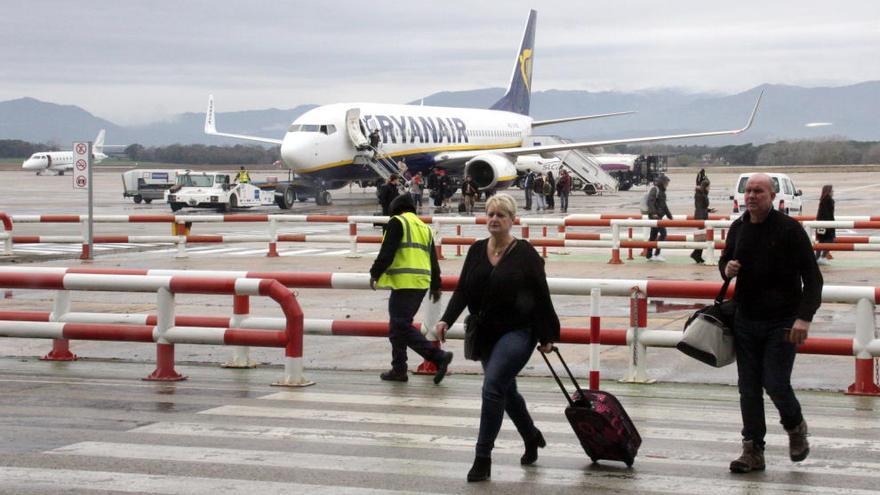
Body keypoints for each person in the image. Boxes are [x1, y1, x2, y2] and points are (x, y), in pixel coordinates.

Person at [434, 193, 560, 482]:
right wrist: (445, 319)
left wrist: (547, 335)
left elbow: (541, 296)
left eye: (500, 215)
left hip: (519, 331)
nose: (493, 219)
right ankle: (531, 436)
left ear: (512, 220)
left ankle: (482, 457)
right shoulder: (477, 250)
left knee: (492, 387)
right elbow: (464, 290)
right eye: (490, 214)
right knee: (506, 391)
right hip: (486, 334)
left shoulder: (526, 254)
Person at [719, 173, 823, 474]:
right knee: (748, 388)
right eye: (748, 191)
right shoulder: (738, 228)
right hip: (746, 319)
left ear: (773, 196)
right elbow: (724, 264)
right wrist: (727, 268)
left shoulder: (790, 230)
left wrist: (804, 317)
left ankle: (795, 426)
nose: (751, 196)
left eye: (759, 191)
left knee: (775, 382)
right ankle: (753, 450)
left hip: (783, 321)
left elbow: (813, 279)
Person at [370, 194, 453, 384]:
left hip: (404, 282)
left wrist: (375, 272)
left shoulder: (397, 222)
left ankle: (437, 357)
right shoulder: (423, 227)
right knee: (398, 327)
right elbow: (433, 258)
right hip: (421, 282)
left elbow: (387, 252)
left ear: (395, 209)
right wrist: (436, 284)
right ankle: (399, 369)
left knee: (400, 325)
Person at [646, 175, 672, 261]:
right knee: (663, 234)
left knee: (653, 236)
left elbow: (664, 205)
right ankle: (656, 254)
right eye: (666, 183)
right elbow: (650, 201)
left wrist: (669, 216)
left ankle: (649, 255)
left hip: (659, 216)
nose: (667, 185)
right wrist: (653, 213)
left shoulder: (662, 192)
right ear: (663, 182)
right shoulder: (655, 189)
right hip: (655, 216)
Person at [690, 179, 715, 264]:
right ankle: (696, 254)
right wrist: (701, 220)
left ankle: (697, 255)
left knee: (703, 238)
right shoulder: (700, 194)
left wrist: (709, 210)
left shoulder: (701, 193)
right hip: (700, 217)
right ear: (705, 187)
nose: (709, 188)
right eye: (709, 187)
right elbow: (699, 207)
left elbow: (702, 207)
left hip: (702, 215)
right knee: (702, 238)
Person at [815, 185, 835, 265]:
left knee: (821, 241)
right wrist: (831, 225)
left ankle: (817, 258)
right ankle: (822, 257)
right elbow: (828, 214)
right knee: (830, 240)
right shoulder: (829, 200)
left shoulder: (822, 199)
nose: (833, 192)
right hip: (827, 224)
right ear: (829, 191)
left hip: (821, 223)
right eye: (832, 190)